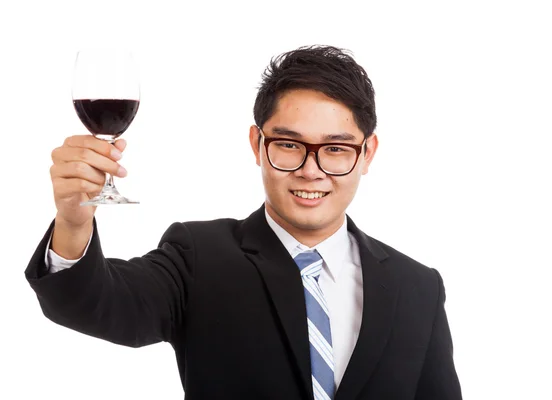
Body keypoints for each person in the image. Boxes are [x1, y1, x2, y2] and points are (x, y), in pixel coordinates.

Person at [25, 45, 463, 400]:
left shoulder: (417, 287)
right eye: (289, 144)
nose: (311, 170)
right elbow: (97, 303)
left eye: (335, 149)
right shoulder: (198, 257)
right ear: (257, 144)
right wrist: (74, 223)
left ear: (367, 154)